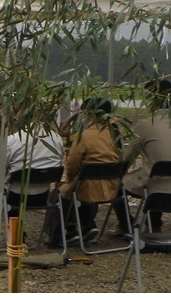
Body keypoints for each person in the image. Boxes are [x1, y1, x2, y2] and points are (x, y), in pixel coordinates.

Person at [110, 79, 171, 234]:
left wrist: (117, 171)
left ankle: (126, 225)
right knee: (157, 171)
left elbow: (128, 157)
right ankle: (154, 224)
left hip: (153, 184)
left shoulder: (145, 124)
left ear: (151, 98)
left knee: (116, 184)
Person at [0, 123, 64, 250]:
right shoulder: (56, 139)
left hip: (15, 196)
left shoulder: (14, 140)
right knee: (11, 189)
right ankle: (17, 234)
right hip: (42, 196)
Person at [48, 97, 122, 245]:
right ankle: (86, 226)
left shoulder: (85, 135)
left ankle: (63, 233)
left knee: (59, 193)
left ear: (89, 114)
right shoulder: (115, 132)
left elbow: (73, 163)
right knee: (76, 189)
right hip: (113, 186)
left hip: (88, 186)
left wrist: (69, 179)